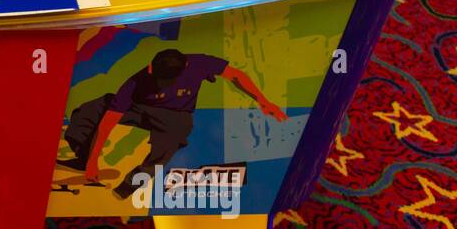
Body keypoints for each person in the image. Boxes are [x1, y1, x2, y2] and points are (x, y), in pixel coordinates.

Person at [57, 49, 287, 198]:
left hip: (175, 117)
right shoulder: (136, 82)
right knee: (88, 110)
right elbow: (108, 122)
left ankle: (127, 187)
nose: (159, 83)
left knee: (170, 144)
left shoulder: (200, 63)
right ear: (150, 67)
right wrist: (93, 160)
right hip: (139, 108)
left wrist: (262, 101)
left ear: (185, 67)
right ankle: (83, 157)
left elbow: (236, 75)